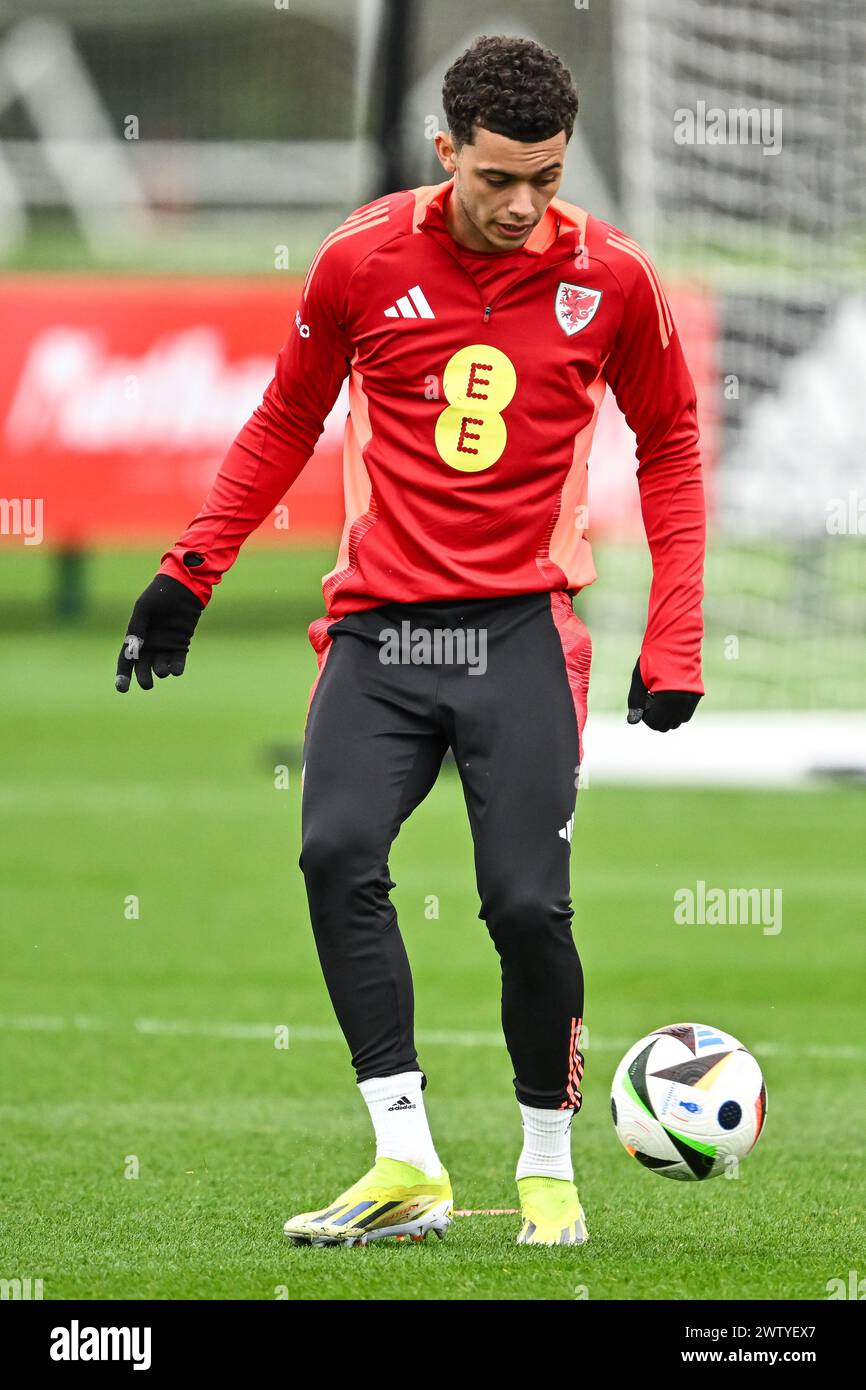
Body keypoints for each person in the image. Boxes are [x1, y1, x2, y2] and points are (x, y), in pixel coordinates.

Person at [115, 34, 705, 1248]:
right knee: (335, 851)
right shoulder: (360, 258)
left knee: (526, 907)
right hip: (380, 631)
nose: (525, 205)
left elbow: (673, 448)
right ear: (446, 152)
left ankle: (547, 1170)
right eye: (498, 177)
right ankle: (404, 1161)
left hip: (521, 632)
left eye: (546, 177)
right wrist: (189, 572)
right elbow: (286, 415)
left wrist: (673, 633)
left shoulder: (616, 282)